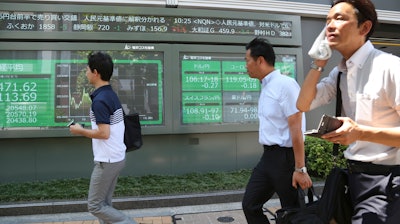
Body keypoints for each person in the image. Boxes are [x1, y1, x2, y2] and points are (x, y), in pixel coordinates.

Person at [296, 0, 400, 223]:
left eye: (340, 18)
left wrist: (360, 132)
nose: (330, 26)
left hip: (388, 180)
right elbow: (303, 104)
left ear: (364, 28)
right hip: (352, 177)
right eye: (328, 20)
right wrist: (318, 63)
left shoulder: (391, 68)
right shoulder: (339, 72)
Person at [242, 37, 312, 223]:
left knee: (293, 213)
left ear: (260, 60)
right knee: (250, 204)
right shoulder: (266, 87)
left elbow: (296, 129)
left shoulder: (285, 85)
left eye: (247, 60)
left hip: (287, 159)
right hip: (268, 158)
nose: (245, 65)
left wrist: (300, 168)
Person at [70, 52, 136, 224]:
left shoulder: (100, 100)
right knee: (104, 204)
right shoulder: (110, 94)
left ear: (95, 72)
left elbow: (103, 133)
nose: (85, 72)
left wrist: (80, 130)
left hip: (107, 160)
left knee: (95, 206)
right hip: (116, 157)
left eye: (87, 69)